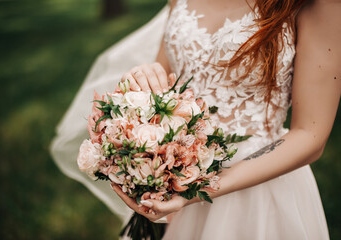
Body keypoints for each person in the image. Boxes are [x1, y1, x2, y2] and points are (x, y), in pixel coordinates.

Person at [109, 0, 341, 239]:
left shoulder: (318, 4)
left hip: (260, 187)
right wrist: (140, 85)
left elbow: (310, 135)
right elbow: (168, 85)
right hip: (176, 176)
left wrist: (197, 190)